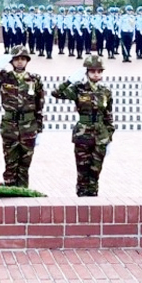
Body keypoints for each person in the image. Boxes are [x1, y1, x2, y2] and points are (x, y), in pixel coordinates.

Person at [0, 45, 45, 188]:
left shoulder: (34, 79)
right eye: (16, 59)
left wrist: (40, 130)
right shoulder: (4, 77)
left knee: (25, 164)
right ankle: (10, 193)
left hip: (28, 125)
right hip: (10, 125)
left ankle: (23, 193)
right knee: (10, 162)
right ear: (11, 61)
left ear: (27, 61)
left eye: (23, 59)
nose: (20, 62)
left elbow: (39, 105)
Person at [51, 55, 115, 197]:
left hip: (100, 136)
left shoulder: (106, 91)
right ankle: (81, 202)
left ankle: (93, 200)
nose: (96, 74)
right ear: (86, 72)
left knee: (95, 171)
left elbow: (108, 116)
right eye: (92, 71)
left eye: (99, 71)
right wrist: (69, 81)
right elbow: (56, 93)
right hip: (83, 135)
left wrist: (110, 137)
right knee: (82, 171)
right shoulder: (78, 88)